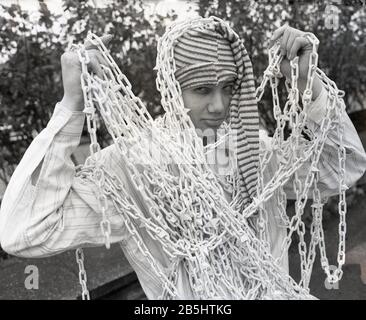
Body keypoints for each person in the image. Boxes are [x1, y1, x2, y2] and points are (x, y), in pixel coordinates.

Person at [0, 16, 365, 299]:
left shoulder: (253, 150)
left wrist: (308, 84)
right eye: (203, 90)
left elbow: (340, 167)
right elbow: (24, 231)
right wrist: (70, 106)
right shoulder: (130, 168)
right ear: (173, 88)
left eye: (228, 88)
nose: (219, 105)